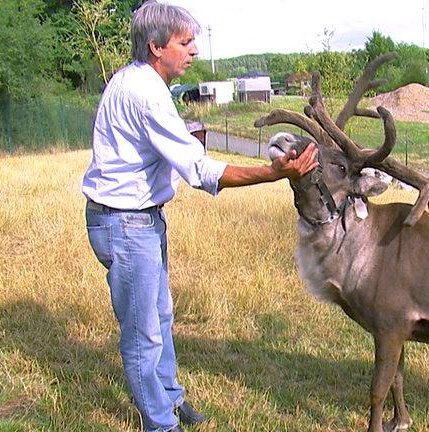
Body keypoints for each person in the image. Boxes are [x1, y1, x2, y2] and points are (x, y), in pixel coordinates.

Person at [81, 2, 319, 431]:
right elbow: (199, 170)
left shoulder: (135, 80)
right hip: (125, 222)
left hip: (139, 219)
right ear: (156, 46)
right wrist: (274, 173)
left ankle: (171, 401)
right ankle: (160, 423)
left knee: (161, 316)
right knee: (143, 335)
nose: (193, 50)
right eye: (185, 42)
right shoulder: (146, 93)